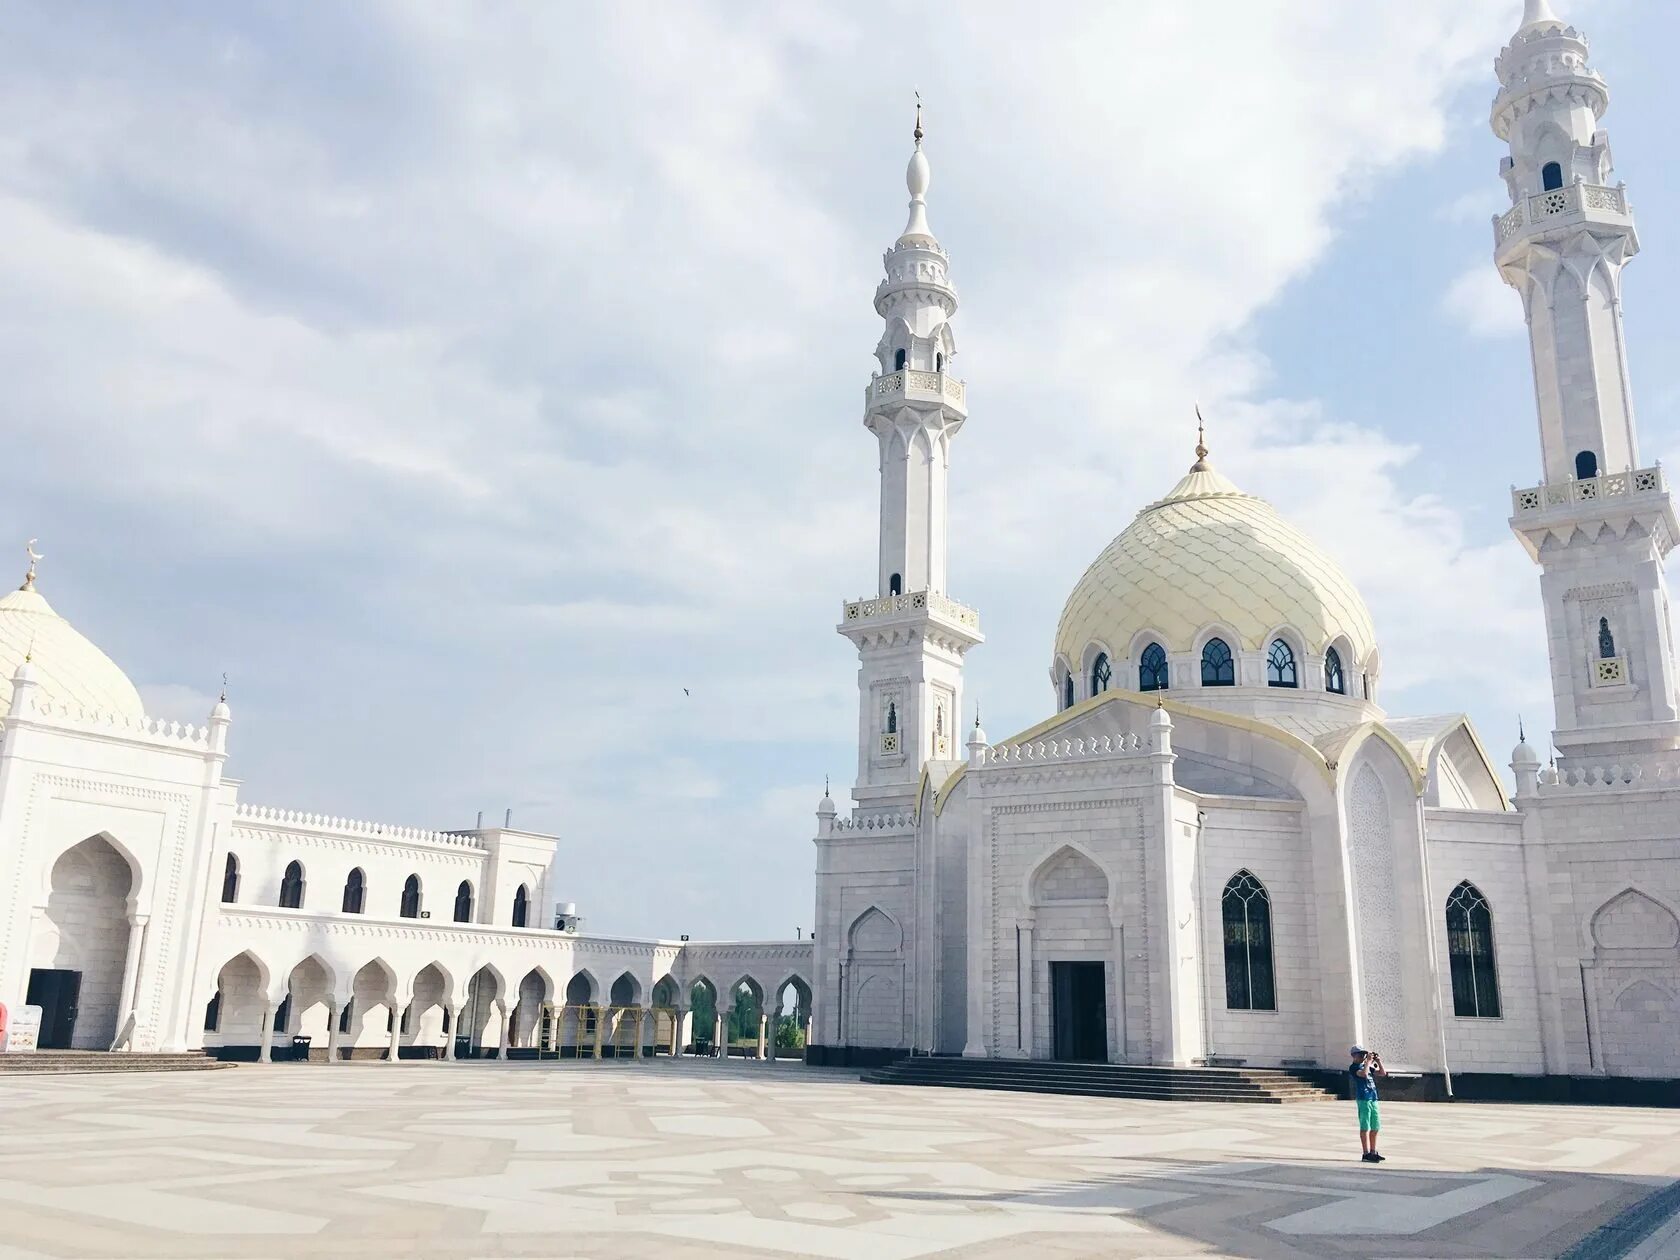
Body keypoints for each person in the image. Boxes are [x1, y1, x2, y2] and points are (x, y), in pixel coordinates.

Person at [1349, 1045, 1386, 1162]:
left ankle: (1373, 1151)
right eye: (1360, 1054)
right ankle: (1365, 1153)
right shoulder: (1353, 1067)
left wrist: (1378, 1061)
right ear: (1354, 1055)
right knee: (1365, 1126)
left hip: (1373, 1098)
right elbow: (1364, 1074)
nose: (1363, 1057)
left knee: (1375, 1126)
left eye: (1364, 1054)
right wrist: (1368, 1062)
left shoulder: (1367, 1066)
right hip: (1363, 1099)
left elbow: (1383, 1073)